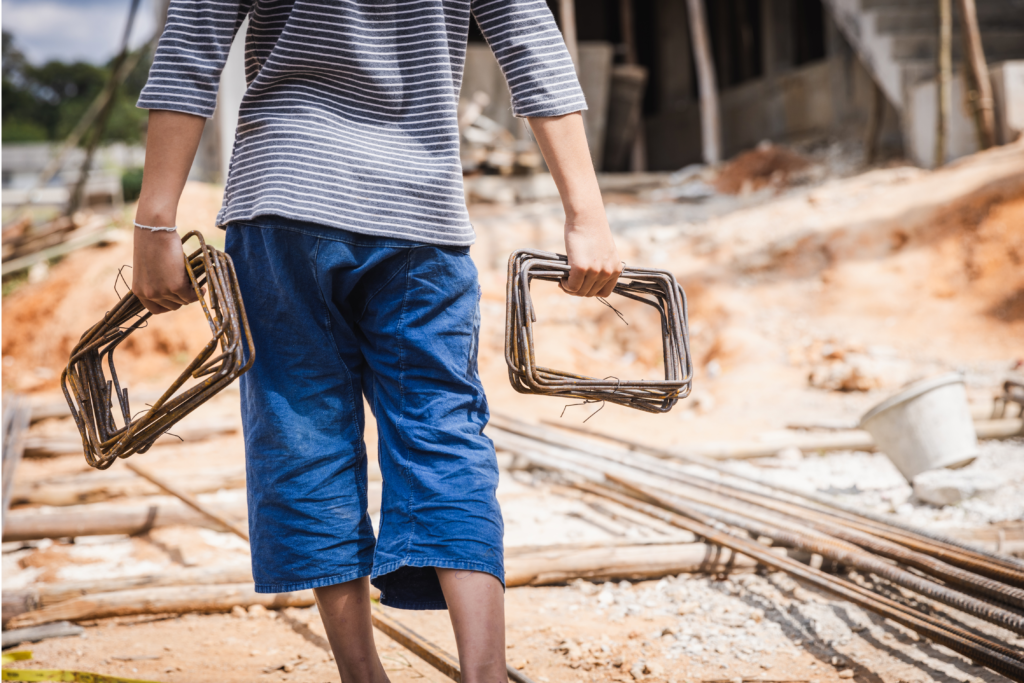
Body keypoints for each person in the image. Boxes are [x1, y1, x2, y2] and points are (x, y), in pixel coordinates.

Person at [131, 1, 621, 680]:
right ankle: (485, 671)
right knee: (441, 427)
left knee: (304, 431)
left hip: (285, 198)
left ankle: (362, 675)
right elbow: (529, 40)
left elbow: (194, 41)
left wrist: (156, 218)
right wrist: (585, 215)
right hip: (418, 207)